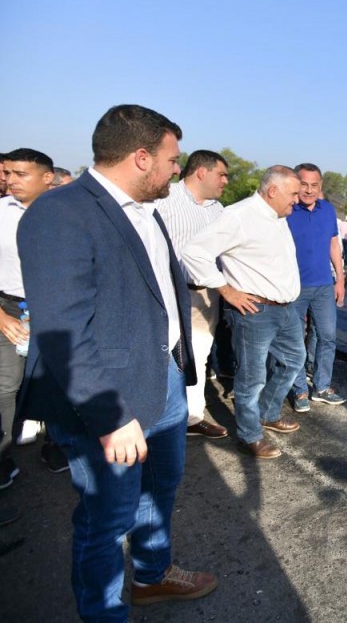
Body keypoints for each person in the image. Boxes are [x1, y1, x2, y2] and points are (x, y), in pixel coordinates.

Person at [18, 105, 217, 620]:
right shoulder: (60, 212)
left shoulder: (146, 210)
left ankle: (151, 577)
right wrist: (109, 416)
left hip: (165, 381)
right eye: (172, 160)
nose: (178, 169)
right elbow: (61, 329)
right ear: (141, 156)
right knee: (107, 519)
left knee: (160, 490)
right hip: (107, 401)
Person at [181, 166, 305, 460]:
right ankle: (250, 435)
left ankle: (267, 412)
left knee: (293, 360)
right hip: (255, 312)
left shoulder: (278, 216)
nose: (297, 200)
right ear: (272, 191)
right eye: (293, 194)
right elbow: (193, 251)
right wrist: (227, 290)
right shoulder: (239, 216)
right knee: (252, 378)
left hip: (285, 310)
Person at [155, 149, 231, 440]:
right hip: (166, 293)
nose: (225, 181)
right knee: (161, 354)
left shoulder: (218, 210)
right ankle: (157, 415)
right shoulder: (165, 199)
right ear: (202, 172)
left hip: (205, 296)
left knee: (198, 354)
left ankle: (191, 417)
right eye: (221, 174)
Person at [0, 148, 55, 489]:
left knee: (58, 382)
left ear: (47, 177)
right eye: (8, 174)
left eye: (20, 174)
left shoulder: (68, 213)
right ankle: (3, 456)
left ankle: (59, 446)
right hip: (8, 308)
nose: (10, 181)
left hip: (56, 309)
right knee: (6, 384)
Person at [285, 163, 346, 412]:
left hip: (323, 286)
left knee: (328, 337)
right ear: (296, 184)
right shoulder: (286, 210)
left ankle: (321, 387)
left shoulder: (327, 210)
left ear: (320, 186)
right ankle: (299, 390)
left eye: (314, 185)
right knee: (295, 340)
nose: (308, 190)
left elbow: (333, 244)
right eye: (304, 185)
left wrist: (340, 279)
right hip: (293, 287)